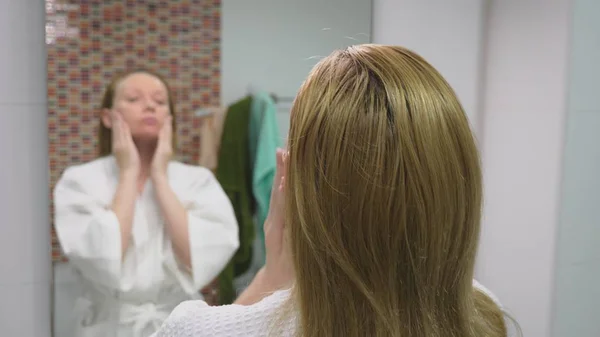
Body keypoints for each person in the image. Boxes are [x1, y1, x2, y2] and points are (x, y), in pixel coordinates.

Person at [152, 45, 511, 337]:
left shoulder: (199, 330)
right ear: (455, 184)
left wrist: (268, 279)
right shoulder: (484, 314)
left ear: (291, 183)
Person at [53, 69, 240, 337]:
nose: (150, 105)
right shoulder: (80, 181)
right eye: (133, 99)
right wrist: (129, 172)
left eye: (160, 101)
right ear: (107, 117)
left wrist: (160, 177)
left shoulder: (198, 181)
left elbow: (197, 259)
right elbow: (104, 255)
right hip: (109, 326)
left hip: (179, 323)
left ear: (169, 118)